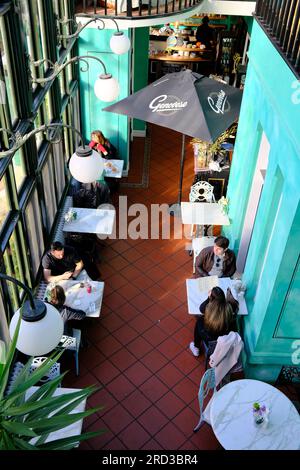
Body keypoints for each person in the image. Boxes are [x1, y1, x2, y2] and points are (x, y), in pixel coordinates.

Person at [189, 286, 238, 357]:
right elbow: (235, 307)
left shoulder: (208, 308)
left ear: (211, 299)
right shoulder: (229, 307)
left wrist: (208, 298)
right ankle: (196, 347)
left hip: (210, 341)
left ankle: (196, 347)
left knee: (199, 322)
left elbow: (201, 308)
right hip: (225, 342)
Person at [89, 130, 119, 194]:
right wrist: (90, 147)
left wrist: (104, 151)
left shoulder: (106, 143)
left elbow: (111, 157)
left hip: (107, 163)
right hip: (97, 163)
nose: (93, 139)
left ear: (100, 137)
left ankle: (110, 189)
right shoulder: (93, 144)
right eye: (92, 137)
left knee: (108, 177)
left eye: (95, 137)